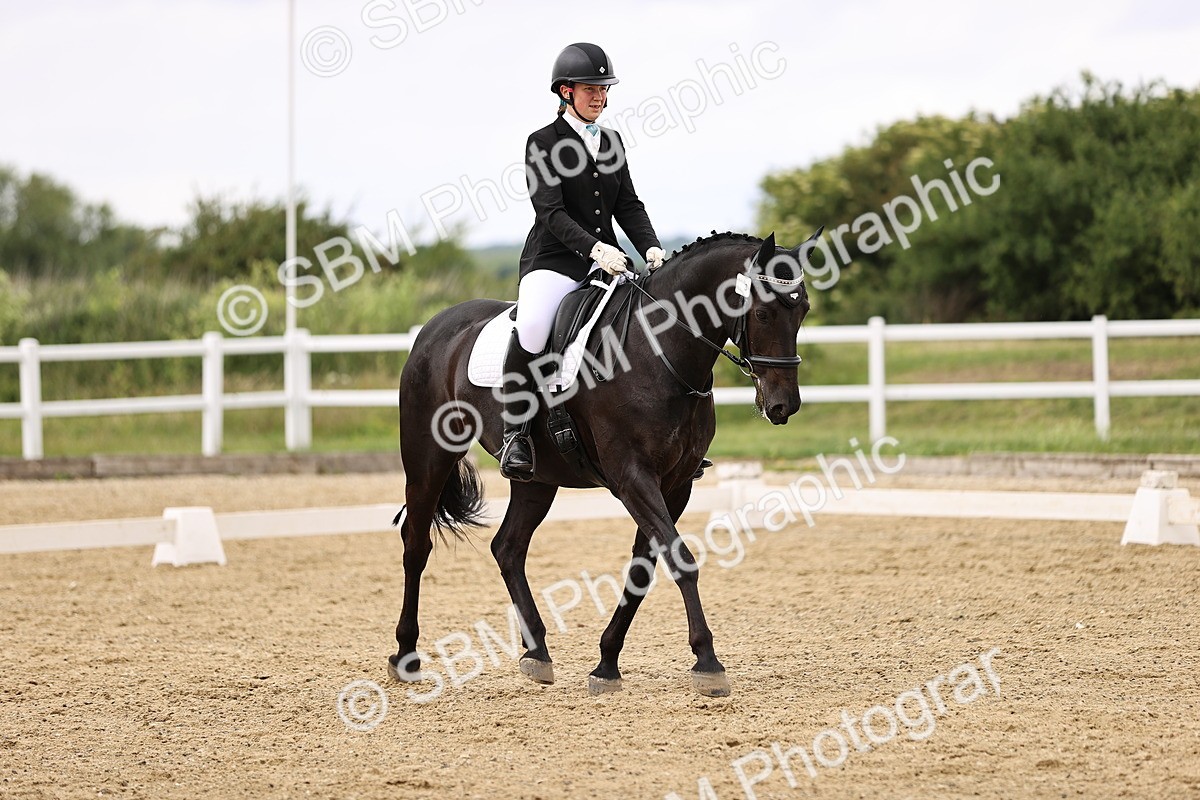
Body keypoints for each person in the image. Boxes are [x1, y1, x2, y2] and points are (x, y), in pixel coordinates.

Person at [496, 42, 666, 481]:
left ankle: (663, 437)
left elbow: (628, 205)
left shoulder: (611, 141)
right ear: (565, 92)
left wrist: (649, 247)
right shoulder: (542, 143)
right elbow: (549, 213)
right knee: (533, 324)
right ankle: (515, 432)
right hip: (554, 259)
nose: (600, 97)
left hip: (608, 262)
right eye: (591, 89)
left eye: (604, 89)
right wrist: (595, 249)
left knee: (646, 324)